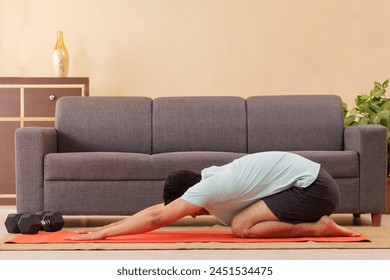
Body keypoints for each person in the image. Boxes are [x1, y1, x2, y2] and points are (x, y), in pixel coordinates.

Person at [66, 151, 359, 240]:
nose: (192, 213)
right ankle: (319, 224)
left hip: (315, 188)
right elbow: (154, 209)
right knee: (242, 223)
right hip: (313, 186)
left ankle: (319, 228)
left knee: (241, 226)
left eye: (189, 208)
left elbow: (158, 217)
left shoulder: (210, 188)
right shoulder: (210, 181)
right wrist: (103, 229)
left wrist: (99, 238)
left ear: (191, 193)